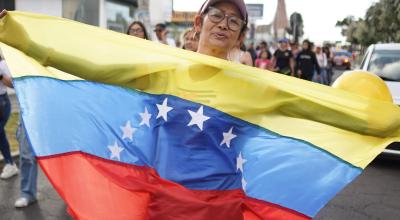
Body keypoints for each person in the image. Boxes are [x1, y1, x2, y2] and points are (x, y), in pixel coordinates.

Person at [0, 56, 18, 180]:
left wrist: (0, 76)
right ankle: (10, 163)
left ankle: (10, 164)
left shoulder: (2, 64)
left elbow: (13, 84)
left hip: (2, 101)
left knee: (0, 133)